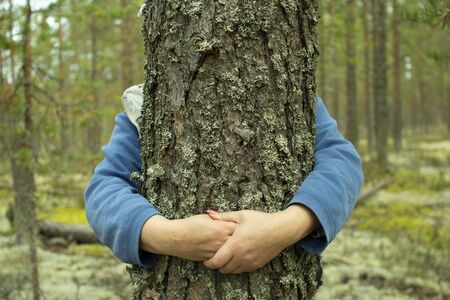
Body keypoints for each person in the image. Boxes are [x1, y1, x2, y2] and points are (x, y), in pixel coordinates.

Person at [84, 84, 364, 274]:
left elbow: (342, 162)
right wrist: (169, 236)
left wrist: (287, 226)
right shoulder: (145, 105)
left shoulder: (291, 92)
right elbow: (104, 190)